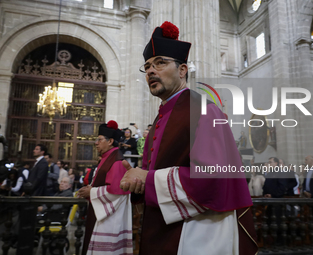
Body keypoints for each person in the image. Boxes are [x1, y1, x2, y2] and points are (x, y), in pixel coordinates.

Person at [120, 21, 257, 255]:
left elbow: (211, 178)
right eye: (147, 66)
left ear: (182, 70)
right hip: (160, 228)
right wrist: (134, 182)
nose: (151, 70)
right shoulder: (159, 120)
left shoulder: (204, 110)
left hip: (197, 234)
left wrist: (147, 179)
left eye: (160, 63)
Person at [78, 120, 132, 255]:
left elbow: (117, 192)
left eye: (99, 139)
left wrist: (92, 191)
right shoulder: (107, 157)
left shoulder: (117, 160)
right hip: (99, 212)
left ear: (110, 141)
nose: (96, 143)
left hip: (109, 219)